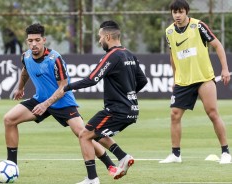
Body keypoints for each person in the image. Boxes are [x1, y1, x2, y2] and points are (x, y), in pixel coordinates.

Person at [0, 23, 117, 176]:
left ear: (44, 40)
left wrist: (46, 104)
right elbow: (26, 69)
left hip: (63, 102)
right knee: (9, 119)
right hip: (40, 100)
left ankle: (110, 165)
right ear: (27, 41)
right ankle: (11, 166)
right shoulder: (26, 56)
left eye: (37, 40)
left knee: (83, 133)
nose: (34, 44)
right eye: (30, 41)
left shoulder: (54, 58)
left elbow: (63, 86)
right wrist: (20, 87)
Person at [62, 20, 148, 184]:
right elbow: (143, 80)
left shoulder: (112, 56)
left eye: (100, 37)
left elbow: (92, 79)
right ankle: (123, 157)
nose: (99, 40)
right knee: (96, 132)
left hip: (116, 110)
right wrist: (129, 94)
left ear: (108, 36)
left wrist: (67, 87)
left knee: (84, 135)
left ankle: (92, 179)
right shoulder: (129, 54)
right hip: (131, 110)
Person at [159, 0, 231, 164]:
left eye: (180, 12)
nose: (177, 15)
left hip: (203, 78)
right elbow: (173, 56)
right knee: (174, 115)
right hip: (183, 81)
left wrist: (225, 69)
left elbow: (218, 45)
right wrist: (174, 78)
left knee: (212, 113)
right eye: (174, 12)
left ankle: (226, 152)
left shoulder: (198, 26)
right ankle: (175, 154)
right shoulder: (169, 31)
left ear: (186, 12)